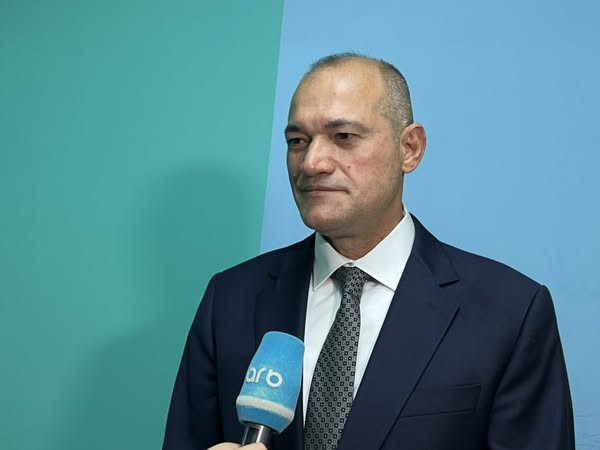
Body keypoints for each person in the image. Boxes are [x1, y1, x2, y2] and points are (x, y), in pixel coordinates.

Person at [163, 53, 575, 450]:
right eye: (297, 140)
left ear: (410, 148)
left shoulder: (510, 312)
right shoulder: (229, 300)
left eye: (343, 137)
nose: (311, 163)